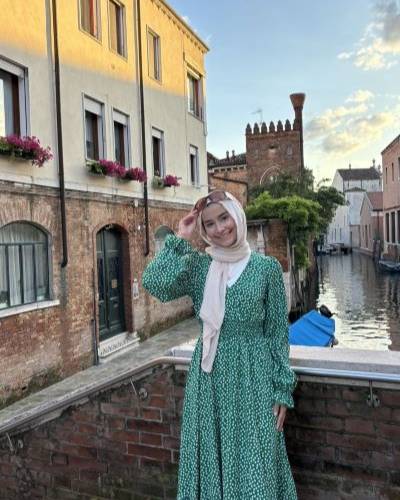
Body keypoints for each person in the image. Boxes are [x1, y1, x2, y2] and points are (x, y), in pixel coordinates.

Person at [142, 190, 297, 499]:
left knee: (256, 460)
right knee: (212, 459)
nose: (219, 228)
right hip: (209, 379)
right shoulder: (199, 267)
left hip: (254, 377)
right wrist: (181, 237)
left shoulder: (266, 269)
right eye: (209, 224)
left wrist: (282, 389)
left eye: (224, 218)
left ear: (236, 216)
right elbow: (154, 283)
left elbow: (278, 333)